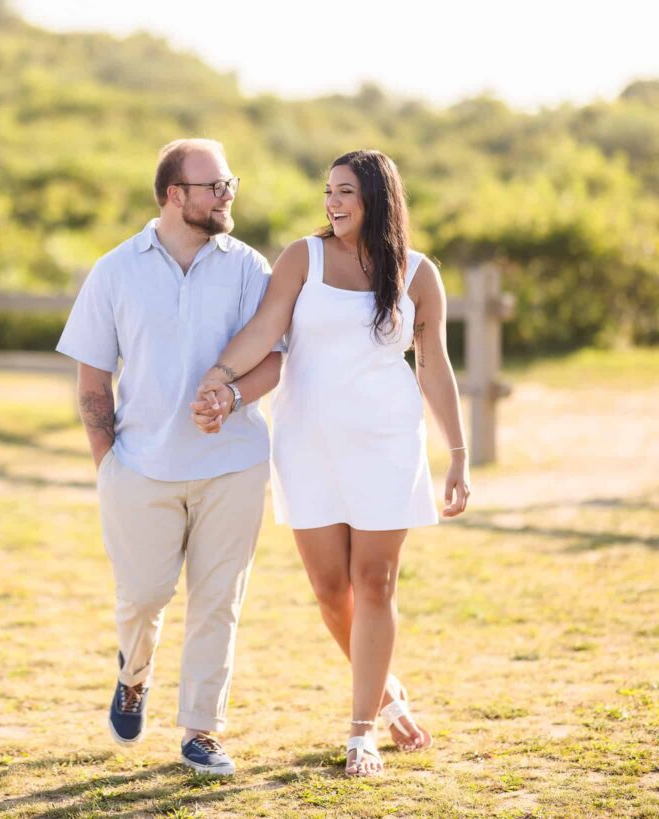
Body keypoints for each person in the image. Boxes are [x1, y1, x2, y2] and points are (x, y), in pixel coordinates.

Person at [192, 149, 471, 776]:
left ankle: (362, 730)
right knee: (329, 589)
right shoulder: (303, 258)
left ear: (377, 197)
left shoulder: (418, 274)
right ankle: (390, 692)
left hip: (386, 443)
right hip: (308, 442)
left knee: (375, 581)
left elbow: (435, 366)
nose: (333, 202)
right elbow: (266, 329)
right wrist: (221, 374)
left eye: (345, 191)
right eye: (328, 191)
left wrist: (457, 452)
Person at [56, 138, 284, 776]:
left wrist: (234, 395)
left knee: (218, 600)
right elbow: (93, 379)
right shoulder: (115, 270)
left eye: (229, 183)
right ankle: (133, 676)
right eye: (213, 185)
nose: (226, 194)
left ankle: (201, 730)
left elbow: (273, 357)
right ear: (173, 195)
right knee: (144, 594)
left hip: (234, 464)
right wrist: (108, 464)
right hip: (139, 467)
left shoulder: (248, 267)